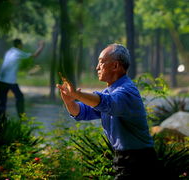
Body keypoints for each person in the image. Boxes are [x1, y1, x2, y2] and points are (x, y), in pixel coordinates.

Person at [57, 44, 159, 180]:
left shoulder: (127, 91)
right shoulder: (109, 91)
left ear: (115, 66)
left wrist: (77, 94)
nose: (97, 67)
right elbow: (82, 112)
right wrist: (69, 101)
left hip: (140, 162)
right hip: (124, 159)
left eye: (101, 62)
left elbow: (107, 102)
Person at [0, 39, 44, 121]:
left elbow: (12, 64)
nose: (22, 46)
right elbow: (35, 55)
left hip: (0, 80)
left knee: (2, 101)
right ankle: (22, 117)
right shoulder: (18, 52)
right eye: (22, 44)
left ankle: (2, 120)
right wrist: (41, 46)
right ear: (18, 45)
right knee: (20, 97)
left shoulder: (10, 52)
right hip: (9, 81)